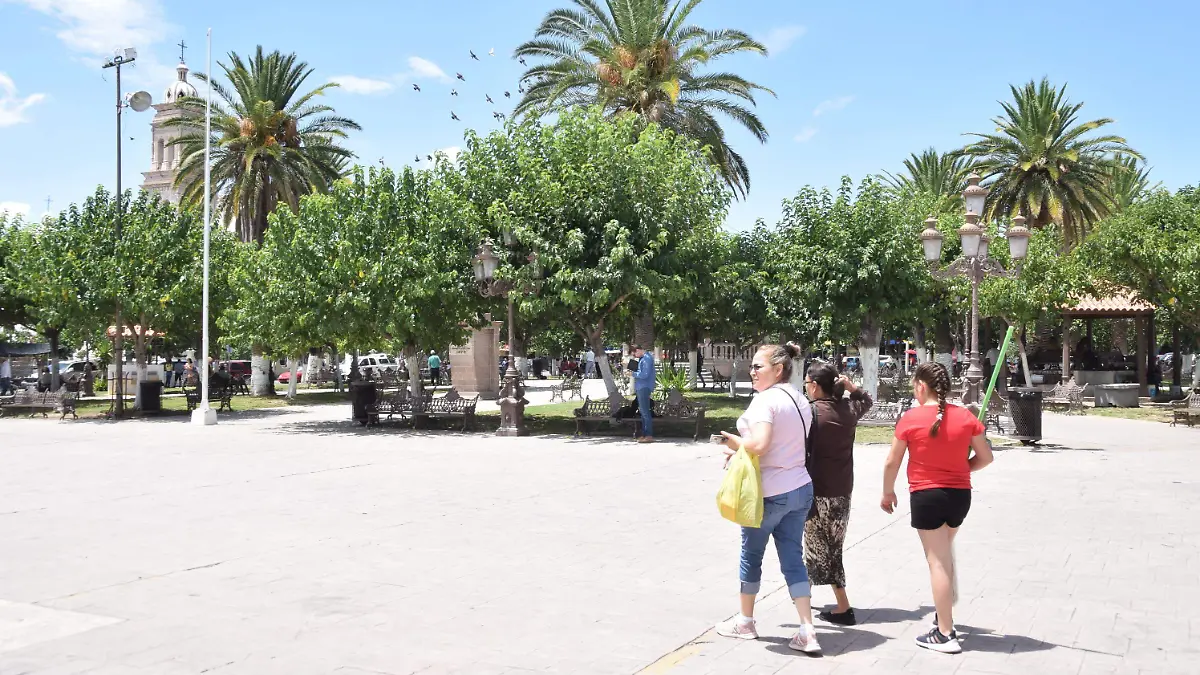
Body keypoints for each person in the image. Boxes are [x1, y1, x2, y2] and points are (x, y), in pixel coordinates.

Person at [715, 343, 821, 653]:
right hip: (799, 488)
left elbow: (759, 444)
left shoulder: (765, 401)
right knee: (792, 560)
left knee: (752, 556)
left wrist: (735, 442)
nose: (753, 371)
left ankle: (745, 622)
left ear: (778, 369)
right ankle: (807, 630)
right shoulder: (799, 398)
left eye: (758, 366)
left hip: (769, 493)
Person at [882, 362, 994, 654]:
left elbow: (892, 461)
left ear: (921, 385)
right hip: (959, 496)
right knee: (943, 554)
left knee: (938, 562)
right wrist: (960, 469)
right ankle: (942, 616)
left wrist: (887, 492)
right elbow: (985, 458)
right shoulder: (966, 417)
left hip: (927, 495)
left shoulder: (910, 418)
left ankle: (946, 633)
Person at [803, 363, 874, 626]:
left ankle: (842, 606)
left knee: (821, 547)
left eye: (807, 382)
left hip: (818, 490)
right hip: (842, 489)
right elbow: (866, 400)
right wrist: (853, 388)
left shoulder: (812, 413)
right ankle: (806, 592)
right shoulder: (848, 409)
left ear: (815, 385)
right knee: (825, 544)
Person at [632, 344, 656, 443]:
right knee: (643, 411)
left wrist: (632, 373)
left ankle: (648, 434)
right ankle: (644, 434)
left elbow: (644, 374)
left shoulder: (646, 358)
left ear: (638, 350)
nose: (635, 356)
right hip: (641, 387)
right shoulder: (644, 358)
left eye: (635, 353)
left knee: (645, 412)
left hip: (644, 387)